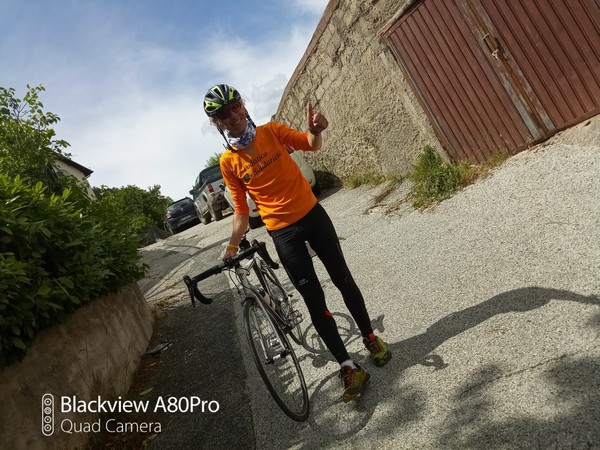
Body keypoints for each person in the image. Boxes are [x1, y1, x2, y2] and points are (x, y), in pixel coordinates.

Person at [203, 83, 391, 403]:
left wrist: (315, 131)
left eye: (234, 106)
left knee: (342, 278)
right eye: (223, 114)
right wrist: (231, 247)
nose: (232, 115)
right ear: (218, 123)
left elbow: (310, 144)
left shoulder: (271, 131)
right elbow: (240, 213)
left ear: (242, 105)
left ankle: (370, 337)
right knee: (314, 300)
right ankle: (348, 366)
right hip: (282, 232)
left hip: (313, 216)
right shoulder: (229, 163)